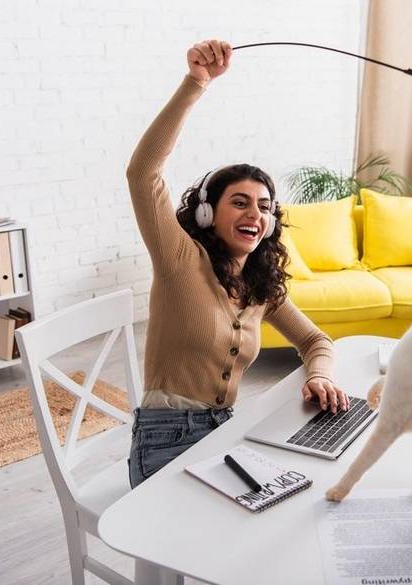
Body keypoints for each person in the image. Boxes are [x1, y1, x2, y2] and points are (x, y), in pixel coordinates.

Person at [125, 39, 349, 489]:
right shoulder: (180, 260)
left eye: (264, 206)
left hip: (225, 429)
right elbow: (143, 173)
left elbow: (315, 340)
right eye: (240, 202)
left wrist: (321, 377)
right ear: (209, 212)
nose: (255, 214)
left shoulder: (258, 286)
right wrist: (195, 83)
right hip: (165, 438)